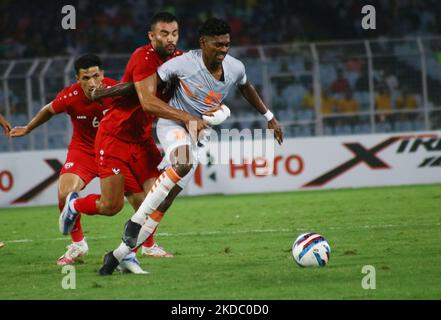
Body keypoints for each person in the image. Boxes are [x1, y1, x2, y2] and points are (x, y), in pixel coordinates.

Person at [97, 17, 283, 276]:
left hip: (199, 132)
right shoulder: (182, 63)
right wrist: (108, 92)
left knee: (166, 200)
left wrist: (269, 117)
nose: (223, 50)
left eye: (227, 44)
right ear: (203, 43)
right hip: (172, 124)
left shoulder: (235, 67)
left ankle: (118, 255)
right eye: (217, 45)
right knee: (182, 163)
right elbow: (145, 87)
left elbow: (245, 87)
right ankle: (134, 222)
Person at [58, 13, 208, 264]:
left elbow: (184, 93)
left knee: (155, 197)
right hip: (115, 136)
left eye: (174, 33)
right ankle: (75, 206)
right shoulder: (143, 57)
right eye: (163, 33)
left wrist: (206, 108)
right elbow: (148, 103)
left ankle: (132, 253)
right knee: (111, 206)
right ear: (152, 36)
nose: (170, 38)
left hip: (141, 139)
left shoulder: (179, 60)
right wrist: (188, 118)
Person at [8, 54, 157, 270]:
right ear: (78, 79)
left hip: (113, 150)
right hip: (84, 151)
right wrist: (28, 128)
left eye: (96, 76)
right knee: (64, 191)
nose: (92, 82)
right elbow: (49, 109)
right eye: (86, 78)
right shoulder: (71, 95)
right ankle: (77, 245)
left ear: (103, 75)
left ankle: (149, 246)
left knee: (141, 201)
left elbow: (144, 105)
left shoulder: (116, 91)